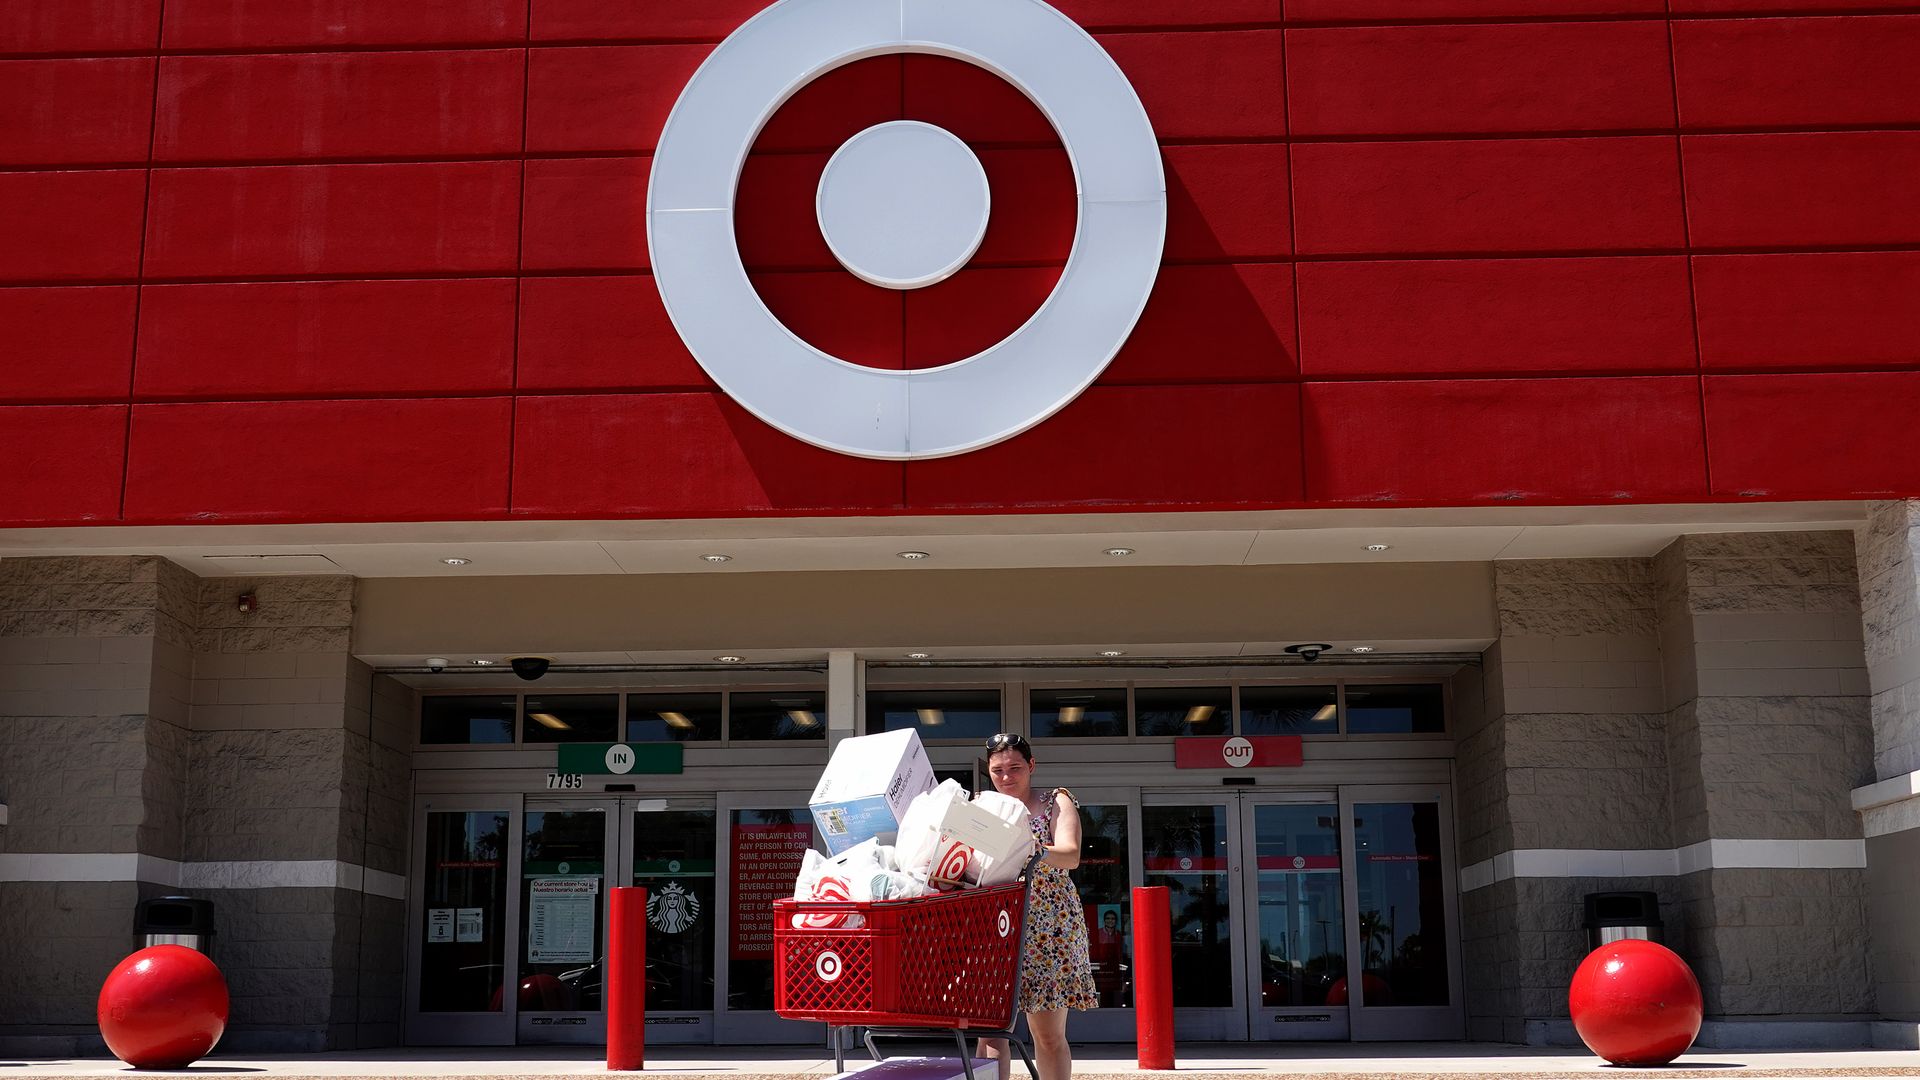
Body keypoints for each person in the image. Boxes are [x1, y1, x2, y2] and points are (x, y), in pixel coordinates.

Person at [979, 732, 1097, 1080]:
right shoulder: (981, 807)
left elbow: (1071, 854)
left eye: (1015, 767)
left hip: (1049, 926)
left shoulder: (1055, 801)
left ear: (1031, 766)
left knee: (1047, 1034)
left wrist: (1028, 846)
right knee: (990, 1030)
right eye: (998, 770)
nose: (1006, 777)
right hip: (994, 923)